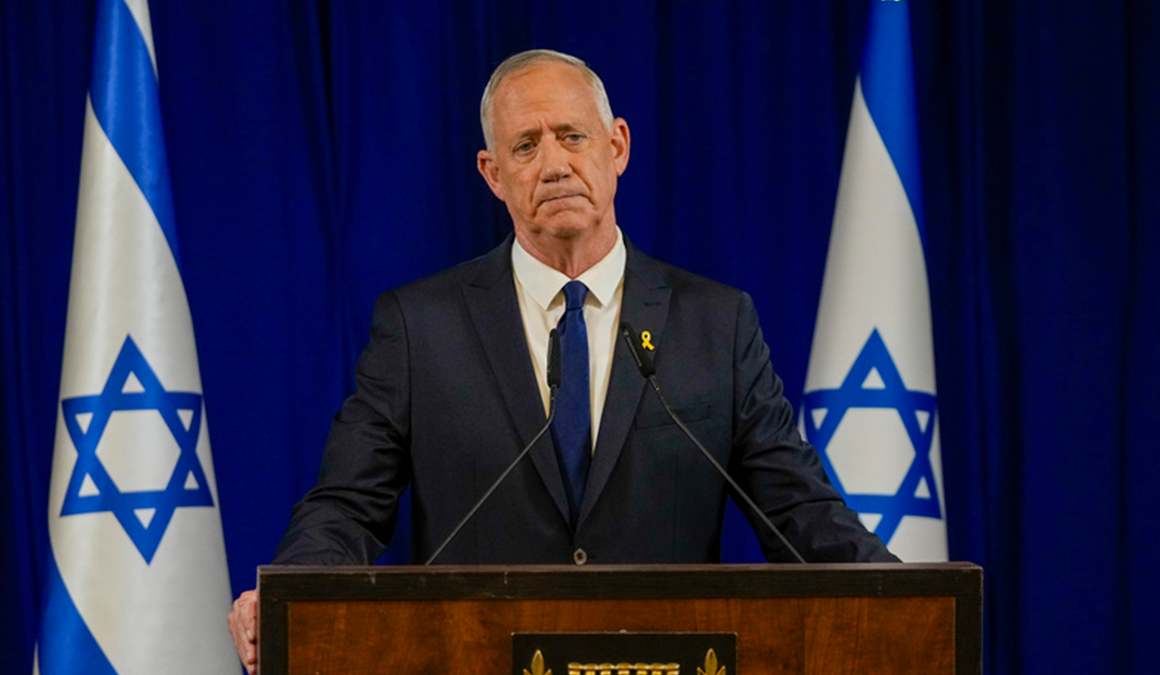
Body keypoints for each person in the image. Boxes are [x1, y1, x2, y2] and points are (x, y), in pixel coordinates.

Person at [227, 49, 897, 672]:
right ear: (493, 173)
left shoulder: (715, 324)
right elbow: (346, 505)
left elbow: (800, 514)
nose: (554, 164)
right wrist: (291, 591)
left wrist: (912, 596)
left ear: (618, 147)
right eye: (525, 145)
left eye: (572, 136)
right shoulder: (419, 327)